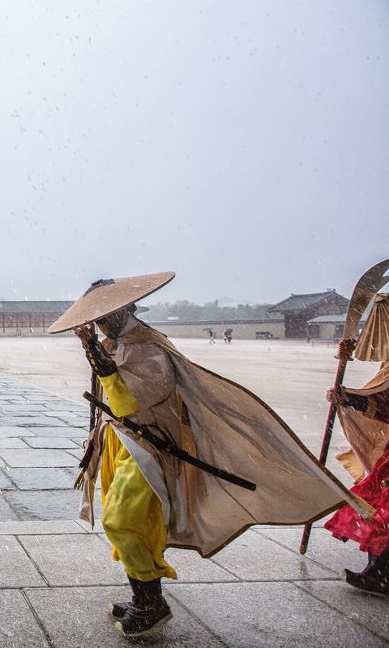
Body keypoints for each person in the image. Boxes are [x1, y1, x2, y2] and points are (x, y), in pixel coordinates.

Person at [50, 272, 366, 638]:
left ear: (124, 311)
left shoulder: (149, 348)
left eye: (105, 317)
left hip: (150, 447)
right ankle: (143, 594)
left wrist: (96, 357)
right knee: (131, 521)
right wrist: (97, 353)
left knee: (125, 518)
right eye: (98, 320)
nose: (101, 325)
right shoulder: (116, 344)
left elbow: (128, 401)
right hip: (125, 444)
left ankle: (153, 603)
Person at [324, 287, 389, 599]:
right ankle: (380, 571)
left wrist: (352, 398)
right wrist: (350, 398)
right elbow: (388, 404)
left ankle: (385, 575)